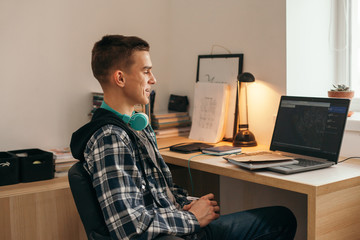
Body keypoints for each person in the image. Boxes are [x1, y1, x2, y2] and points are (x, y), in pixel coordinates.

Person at [70, 35, 297, 240]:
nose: (153, 79)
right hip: (175, 234)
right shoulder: (111, 138)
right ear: (120, 78)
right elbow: (129, 227)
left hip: (175, 225)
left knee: (279, 217)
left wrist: (190, 204)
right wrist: (193, 218)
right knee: (281, 220)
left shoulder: (137, 126)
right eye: (146, 71)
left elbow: (159, 193)